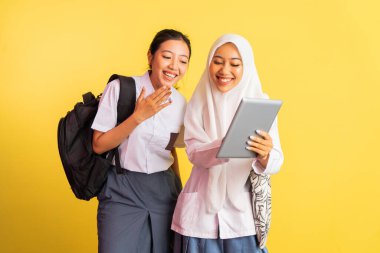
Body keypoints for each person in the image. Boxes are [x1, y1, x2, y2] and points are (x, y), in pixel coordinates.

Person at [171, 34, 284, 253]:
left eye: (235, 64)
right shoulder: (198, 101)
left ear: (247, 66)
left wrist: (265, 155)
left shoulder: (261, 104)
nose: (225, 71)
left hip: (243, 219)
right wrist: (228, 144)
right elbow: (193, 152)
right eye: (218, 61)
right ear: (209, 63)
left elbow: (277, 161)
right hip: (200, 219)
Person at [91, 29, 191, 253]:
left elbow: (171, 151)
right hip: (121, 190)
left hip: (165, 191)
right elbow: (98, 144)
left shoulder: (181, 103)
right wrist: (138, 117)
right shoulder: (120, 88)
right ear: (150, 57)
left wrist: (181, 191)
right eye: (167, 56)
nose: (174, 66)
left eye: (182, 61)